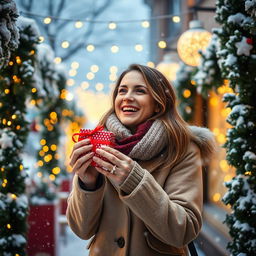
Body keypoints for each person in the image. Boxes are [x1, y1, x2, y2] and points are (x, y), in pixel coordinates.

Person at [66, 64, 216, 256]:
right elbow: (81, 230)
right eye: (122, 90)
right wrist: (88, 184)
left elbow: (183, 231)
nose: (127, 97)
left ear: (158, 104)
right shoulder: (100, 145)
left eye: (140, 90)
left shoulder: (182, 149)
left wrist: (135, 180)